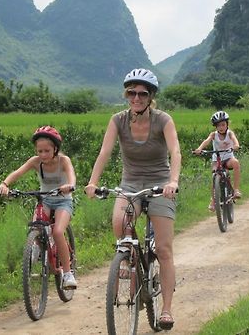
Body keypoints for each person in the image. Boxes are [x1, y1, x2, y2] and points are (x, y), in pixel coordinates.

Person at [85, 68, 181, 331]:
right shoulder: (118, 120)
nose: (136, 97)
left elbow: (175, 151)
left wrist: (173, 181)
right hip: (130, 183)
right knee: (120, 224)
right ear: (126, 95)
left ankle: (166, 310)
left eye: (142, 93)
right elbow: (104, 152)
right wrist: (93, 182)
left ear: (151, 96)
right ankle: (129, 262)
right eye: (131, 92)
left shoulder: (163, 120)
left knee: (163, 249)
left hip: (160, 184)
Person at [0, 126, 77, 289]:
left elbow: (72, 177)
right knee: (36, 226)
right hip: (45, 200)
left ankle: (68, 274)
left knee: (57, 232)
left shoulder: (64, 160)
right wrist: (5, 184)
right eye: (39, 151)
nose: (42, 155)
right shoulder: (35, 162)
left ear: (55, 148)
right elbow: (17, 172)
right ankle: (35, 249)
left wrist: (69, 185)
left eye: (46, 151)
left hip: (63, 201)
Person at [193, 111, 242, 211]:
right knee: (214, 176)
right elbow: (206, 141)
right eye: (219, 125)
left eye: (223, 125)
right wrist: (199, 149)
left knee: (236, 163)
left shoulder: (229, 133)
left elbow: (234, 139)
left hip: (228, 158)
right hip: (217, 160)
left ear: (227, 124)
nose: (221, 127)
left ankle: (236, 189)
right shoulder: (213, 135)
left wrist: (236, 145)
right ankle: (213, 200)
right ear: (215, 126)